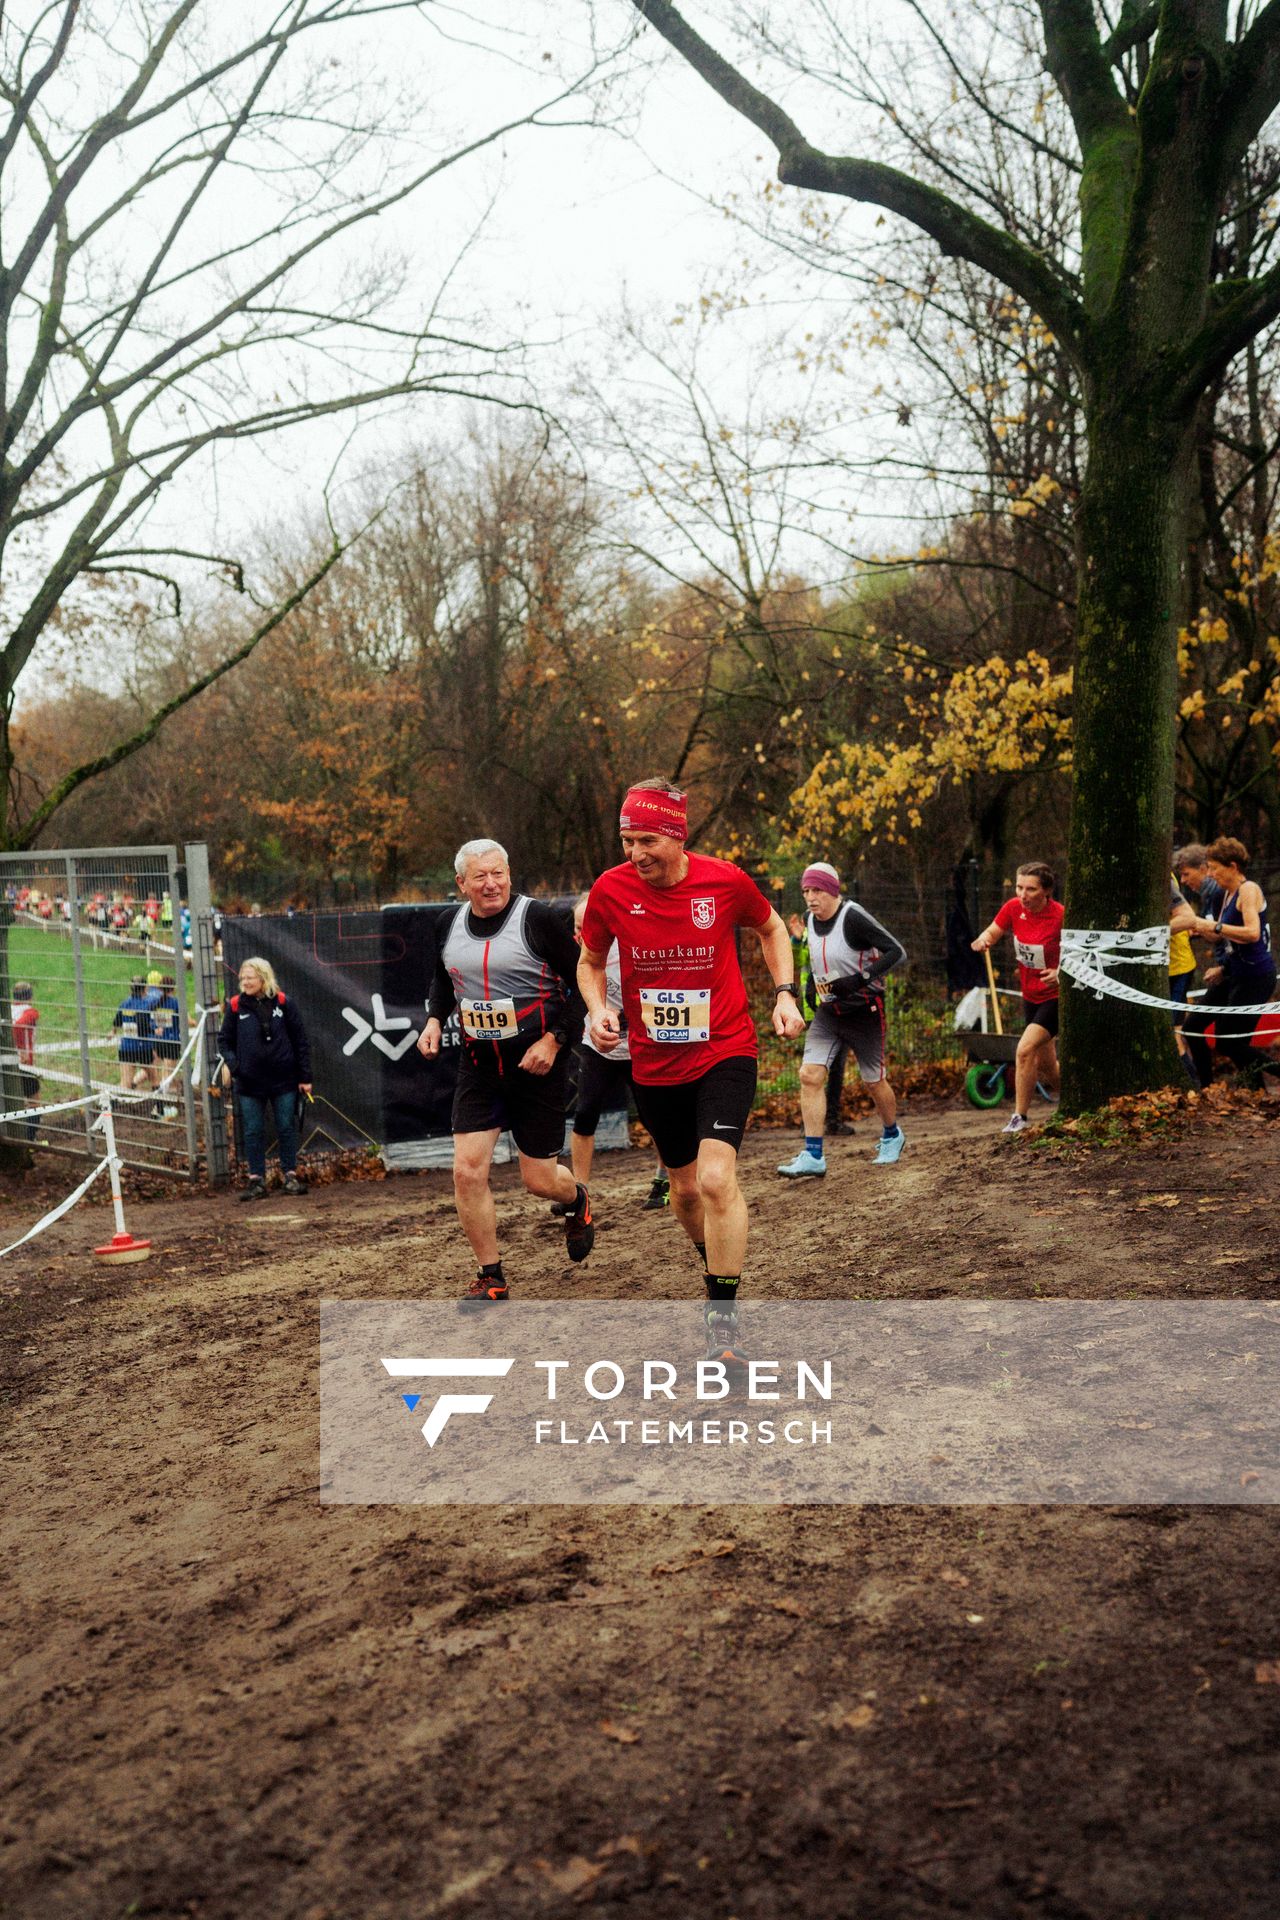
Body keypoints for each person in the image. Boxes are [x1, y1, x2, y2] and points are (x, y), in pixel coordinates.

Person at [578, 778, 805, 1368]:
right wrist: (598, 1007)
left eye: (647, 839)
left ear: (677, 835)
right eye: (627, 840)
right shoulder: (610, 891)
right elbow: (589, 961)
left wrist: (784, 993)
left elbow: (773, 926)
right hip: (653, 1064)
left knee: (713, 1177)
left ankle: (722, 1321)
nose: (635, 853)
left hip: (725, 1049)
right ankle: (717, 1262)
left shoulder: (724, 881)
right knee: (682, 1192)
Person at [417, 839, 592, 1311]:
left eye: (498, 873)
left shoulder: (537, 919)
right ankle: (491, 1277)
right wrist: (435, 1019)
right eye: (480, 876)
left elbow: (582, 985)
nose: (491, 883)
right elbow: (441, 980)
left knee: (538, 1180)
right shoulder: (446, 925)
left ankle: (576, 1199)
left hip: (537, 1065)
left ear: (510, 874)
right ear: (462, 884)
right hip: (479, 1067)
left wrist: (554, 1041)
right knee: (466, 1170)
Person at [778, 862, 907, 1176]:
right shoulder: (809, 919)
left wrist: (860, 979)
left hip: (864, 1010)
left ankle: (892, 1134)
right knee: (809, 1075)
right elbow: (816, 956)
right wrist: (810, 985)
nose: (810, 897)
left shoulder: (853, 917)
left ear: (832, 890)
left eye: (817, 890)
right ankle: (813, 1155)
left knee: (873, 1081)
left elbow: (896, 951)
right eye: (806, 891)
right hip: (828, 1012)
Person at [569, 896, 668, 1206]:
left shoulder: (630, 947)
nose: (582, 934)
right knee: (584, 1113)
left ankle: (665, 1179)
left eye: (588, 926)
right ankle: (578, 1192)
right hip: (598, 1046)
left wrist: (622, 1015)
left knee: (655, 1118)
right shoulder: (576, 955)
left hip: (639, 1044)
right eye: (577, 927)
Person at [971, 862, 1063, 1135]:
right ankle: (1072, 1098)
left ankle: (1019, 1117)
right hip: (1030, 995)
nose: (1023, 894)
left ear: (1046, 891)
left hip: (1055, 997)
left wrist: (1060, 972)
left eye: (1030, 889)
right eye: (1019, 887)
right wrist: (984, 940)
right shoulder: (1013, 908)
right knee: (1047, 1066)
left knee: (1024, 1051)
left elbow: (1079, 953)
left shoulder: (1060, 916)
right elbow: (993, 930)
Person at [216, 957, 313, 1200]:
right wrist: (236, 1067)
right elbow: (224, 1041)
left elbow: (300, 1041)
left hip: (284, 1080)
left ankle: (290, 1175)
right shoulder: (236, 1006)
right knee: (253, 1130)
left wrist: (304, 1077)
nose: (245, 982)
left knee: (286, 1126)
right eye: (242, 978)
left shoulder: (283, 1003)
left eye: (250, 977)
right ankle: (256, 1180)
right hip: (249, 1083)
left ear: (263, 977)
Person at [1184, 837, 1276, 1087]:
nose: (1211, 874)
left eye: (1214, 868)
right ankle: (1214, 1089)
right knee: (1193, 1026)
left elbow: (1252, 933)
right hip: (1233, 973)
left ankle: (1265, 1083)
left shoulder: (1249, 890)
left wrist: (1214, 925)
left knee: (1230, 1042)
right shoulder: (1226, 894)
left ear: (1233, 866)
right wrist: (1192, 927)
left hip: (1255, 977)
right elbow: (1218, 934)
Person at [150, 972, 183, 1116]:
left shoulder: (154, 1003)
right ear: (173, 988)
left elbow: (149, 1019)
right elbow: (183, 1020)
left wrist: (155, 1028)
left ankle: (175, 1093)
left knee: (163, 1070)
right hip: (172, 1040)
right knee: (167, 1074)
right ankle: (159, 1107)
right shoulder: (175, 1002)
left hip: (159, 1041)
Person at [113, 975, 154, 1090]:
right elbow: (144, 1026)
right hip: (143, 1047)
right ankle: (160, 1106)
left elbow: (117, 1022)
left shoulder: (124, 1004)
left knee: (125, 1082)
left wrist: (113, 1032)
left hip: (126, 1047)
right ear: (144, 988)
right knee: (154, 1078)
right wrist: (155, 1030)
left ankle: (112, 1103)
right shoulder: (146, 1005)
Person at [12, 982, 39, 1142]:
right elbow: (18, 1027)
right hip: (24, 1066)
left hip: (7, 1065)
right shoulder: (30, 1012)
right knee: (34, 1103)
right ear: (30, 996)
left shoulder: (8, 1009)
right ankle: (28, 1141)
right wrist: (21, 1050)